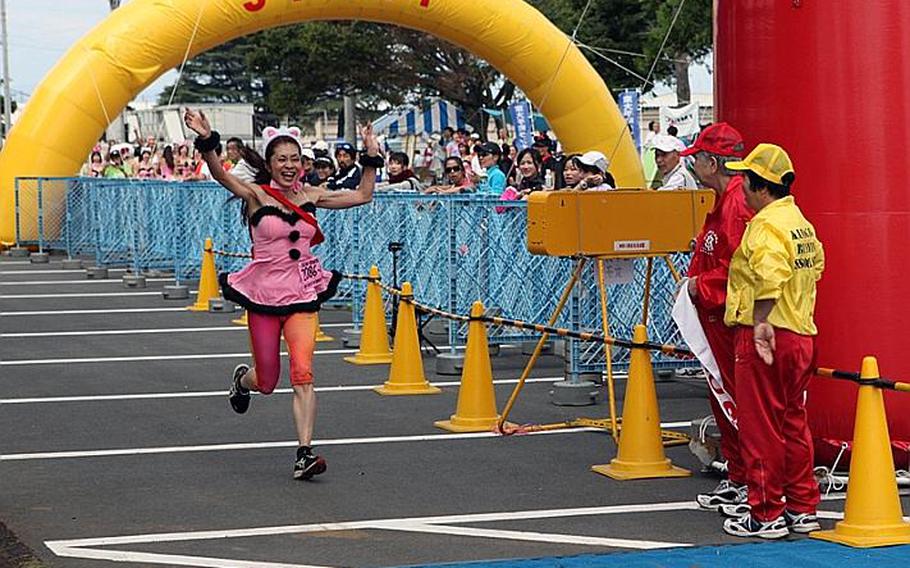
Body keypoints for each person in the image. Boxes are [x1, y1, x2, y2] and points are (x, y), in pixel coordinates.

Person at [184, 108, 383, 480]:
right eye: (282, 159)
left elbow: (363, 194)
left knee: (304, 373)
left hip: (303, 293)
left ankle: (304, 453)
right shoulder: (256, 194)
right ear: (271, 164)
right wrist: (208, 139)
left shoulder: (312, 195)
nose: (289, 165)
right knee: (267, 381)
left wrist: (370, 155)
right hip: (262, 294)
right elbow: (219, 174)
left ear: (302, 163)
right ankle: (243, 380)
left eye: (295, 159)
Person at [721, 143, 825, 539]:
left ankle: (765, 512)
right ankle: (802, 507)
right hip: (800, 333)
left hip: (765, 334)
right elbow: (817, 265)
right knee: (793, 423)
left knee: (760, 426)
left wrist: (761, 321)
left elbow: (770, 274)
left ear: (759, 185)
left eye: (745, 179)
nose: (741, 186)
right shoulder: (799, 221)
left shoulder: (764, 226)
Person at [678, 123, 753, 513]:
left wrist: (699, 286)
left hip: (728, 317)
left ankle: (752, 483)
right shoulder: (726, 201)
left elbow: (740, 268)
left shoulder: (737, 204)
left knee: (738, 401)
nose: (695, 166)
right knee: (725, 399)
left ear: (712, 161)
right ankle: (740, 476)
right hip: (716, 317)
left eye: (699, 159)